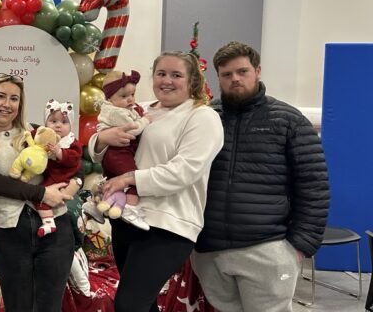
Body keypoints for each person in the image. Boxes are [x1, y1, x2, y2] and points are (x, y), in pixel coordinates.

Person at [190, 42, 329, 312]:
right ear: (217, 77)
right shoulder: (205, 118)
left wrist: (299, 246)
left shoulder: (289, 120)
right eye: (227, 74)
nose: (235, 79)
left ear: (258, 71)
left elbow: (314, 185)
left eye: (242, 71)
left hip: (268, 248)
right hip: (210, 251)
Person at [92, 51, 223, 311]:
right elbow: (100, 147)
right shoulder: (141, 108)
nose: (167, 81)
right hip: (129, 219)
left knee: (129, 304)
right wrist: (104, 138)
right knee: (144, 304)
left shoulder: (202, 117)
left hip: (169, 223)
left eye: (176, 75)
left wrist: (129, 179)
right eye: (161, 74)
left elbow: (184, 171)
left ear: (192, 81)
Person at [0, 73, 75, 311]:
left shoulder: (36, 131)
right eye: (1, 96)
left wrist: (74, 184)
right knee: (18, 305)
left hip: (55, 228)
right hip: (12, 233)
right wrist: (43, 194)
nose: (7, 104)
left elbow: (72, 163)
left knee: (49, 306)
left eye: (14, 98)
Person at [96, 70, 153, 230]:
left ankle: (101, 201)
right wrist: (146, 120)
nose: (130, 100)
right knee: (134, 179)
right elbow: (133, 129)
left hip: (119, 153)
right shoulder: (115, 112)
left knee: (116, 181)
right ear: (109, 98)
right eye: (123, 96)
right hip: (118, 153)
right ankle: (131, 209)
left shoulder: (124, 108)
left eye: (133, 94)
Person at [34, 99, 83, 237]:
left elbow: (75, 158)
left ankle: (48, 222)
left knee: (40, 197)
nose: (58, 126)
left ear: (70, 125)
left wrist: (60, 153)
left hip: (62, 176)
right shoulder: (44, 136)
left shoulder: (71, 142)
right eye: (53, 121)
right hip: (50, 174)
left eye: (64, 122)